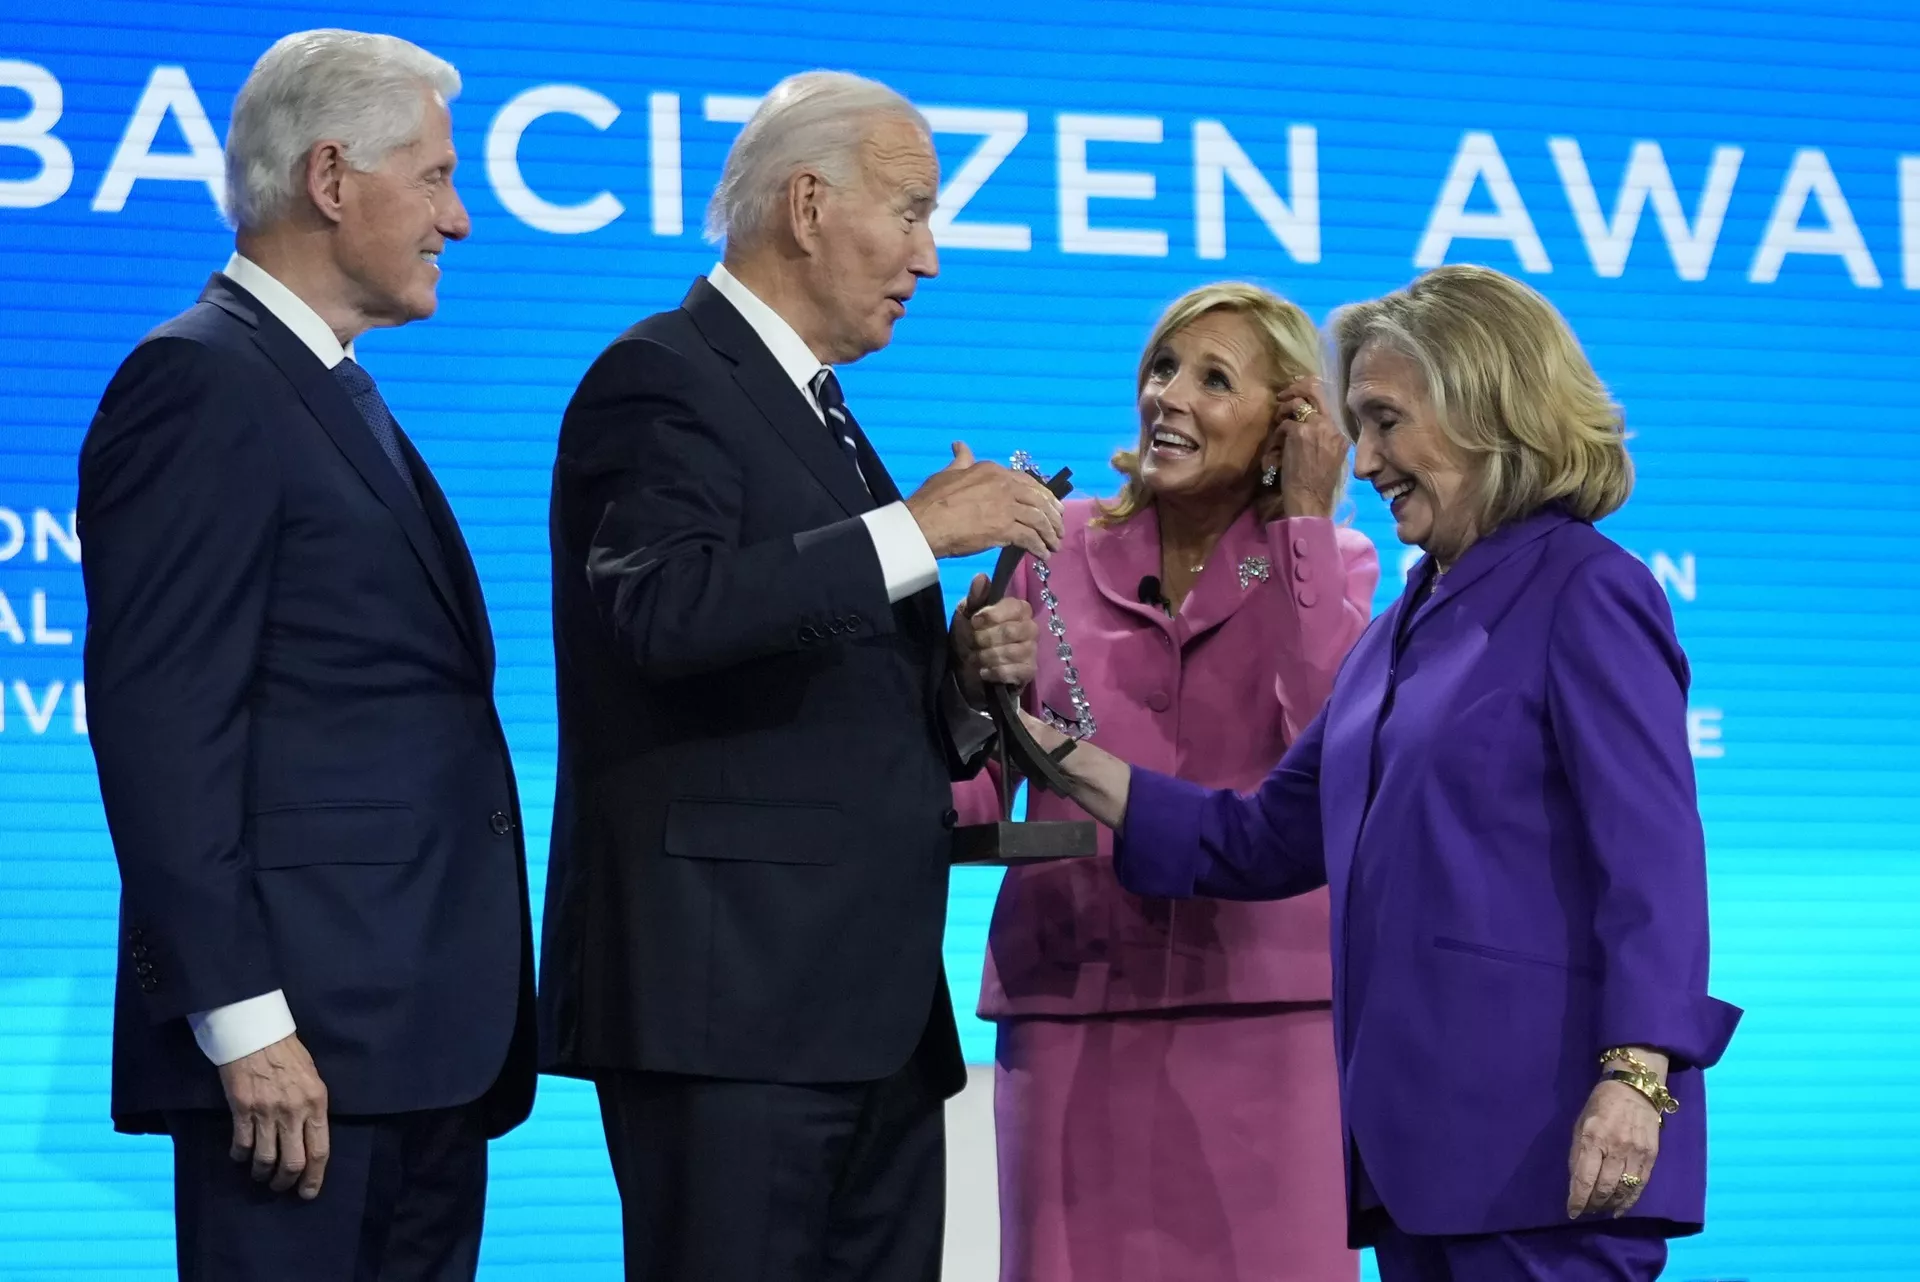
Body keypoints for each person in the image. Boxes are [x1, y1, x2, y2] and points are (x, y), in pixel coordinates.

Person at [1013, 264, 1742, 1282]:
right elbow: (1261, 838)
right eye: (1358, 424)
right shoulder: (1402, 629)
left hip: (1545, 1149)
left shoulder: (1587, 587)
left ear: (1488, 410)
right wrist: (1042, 740)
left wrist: (1638, 1076)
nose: (1364, 460)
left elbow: (1653, 860)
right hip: (1414, 1165)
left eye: (1389, 423)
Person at [539, 70, 1057, 1282]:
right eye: (915, 212)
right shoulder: (661, 376)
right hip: (730, 1011)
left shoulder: (816, 410)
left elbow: (822, 684)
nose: (929, 258)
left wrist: (962, 685)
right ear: (810, 204)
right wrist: (915, 532)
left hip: (863, 1012)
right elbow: (665, 611)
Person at [77, 29, 534, 1281]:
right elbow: (164, 726)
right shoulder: (200, 382)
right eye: (436, 178)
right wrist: (245, 1024)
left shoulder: (326, 388)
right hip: (303, 1057)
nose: (461, 218)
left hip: (419, 1045)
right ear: (331, 179)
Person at [951, 281, 1377, 1281]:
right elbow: (971, 802)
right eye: (1161, 368)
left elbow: (1333, 754)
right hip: (1071, 1013)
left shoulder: (1331, 562)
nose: (1168, 396)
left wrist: (1305, 520)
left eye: (1213, 379)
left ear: (1286, 425)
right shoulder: (1049, 548)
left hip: (1270, 1025)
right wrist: (966, 685)